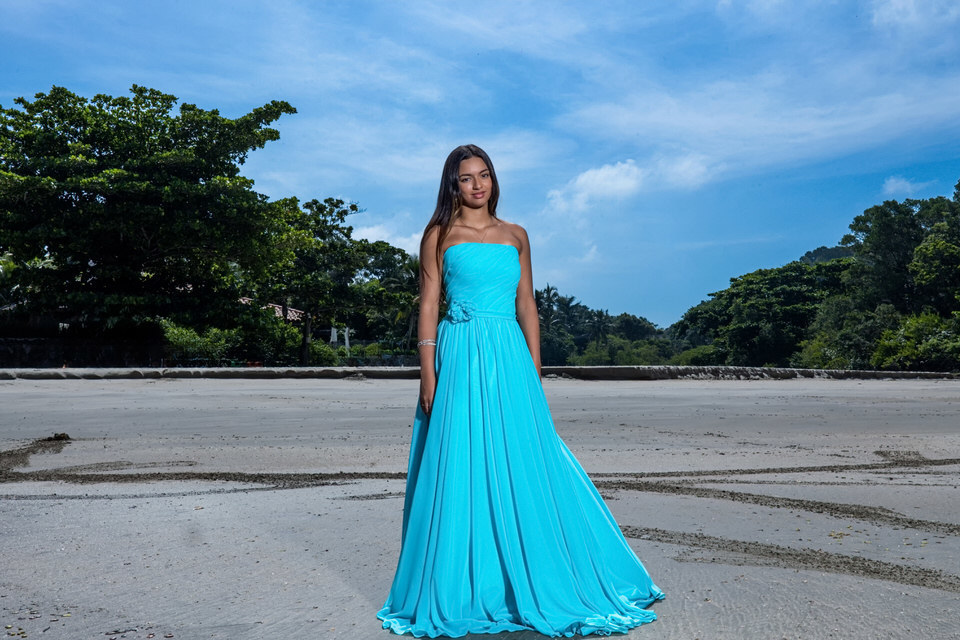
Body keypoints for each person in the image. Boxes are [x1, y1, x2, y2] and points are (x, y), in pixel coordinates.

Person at [378, 144, 664, 637]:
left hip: (509, 355)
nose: (477, 185)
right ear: (453, 185)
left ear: (493, 180)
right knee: (460, 460)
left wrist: (533, 371)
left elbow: (528, 304)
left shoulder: (517, 235)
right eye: (466, 178)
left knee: (526, 458)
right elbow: (427, 305)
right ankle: (467, 583)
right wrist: (428, 373)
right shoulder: (439, 235)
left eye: (484, 175)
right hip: (461, 354)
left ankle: (544, 574)